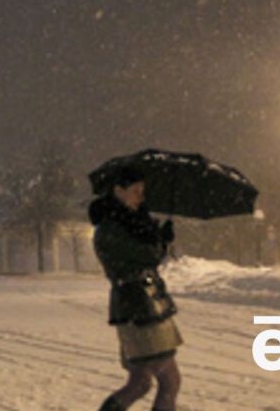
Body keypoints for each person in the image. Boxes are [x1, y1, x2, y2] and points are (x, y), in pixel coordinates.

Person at [89, 166, 181, 411]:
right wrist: (161, 241)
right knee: (169, 381)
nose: (141, 196)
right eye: (135, 190)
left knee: (140, 382)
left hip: (144, 305)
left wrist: (158, 236)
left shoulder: (130, 223)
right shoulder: (111, 229)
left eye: (143, 191)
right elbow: (148, 256)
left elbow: (147, 254)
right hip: (138, 308)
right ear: (118, 191)